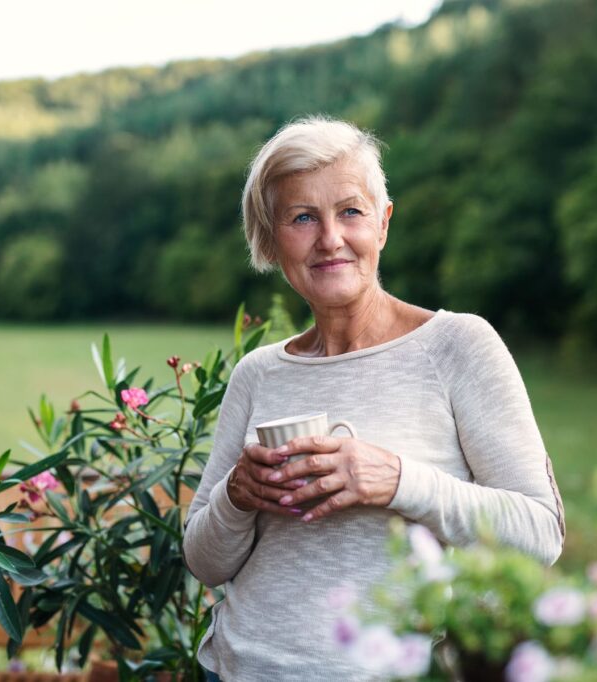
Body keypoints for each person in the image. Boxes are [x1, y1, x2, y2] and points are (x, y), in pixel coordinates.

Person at [182, 115, 565, 681]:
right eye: (302, 217)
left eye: (350, 212)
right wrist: (238, 494)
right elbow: (205, 561)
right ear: (270, 238)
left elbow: (540, 534)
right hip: (238, 669)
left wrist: (398, 480)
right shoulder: (257, 374)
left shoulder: (458, 346)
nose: (330, 238)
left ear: (382, 224)